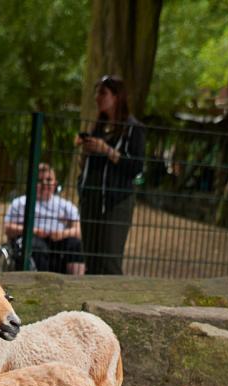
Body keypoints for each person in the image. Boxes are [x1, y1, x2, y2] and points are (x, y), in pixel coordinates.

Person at [77, 75, 145, 275]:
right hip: (91, 200)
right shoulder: (99, 127)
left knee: (109, 262)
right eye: (97, 92)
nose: (97, 97)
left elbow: (136, 167)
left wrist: (107, 150)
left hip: (116, 202)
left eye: (103, 93)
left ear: (117, 97)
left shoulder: (134, 129)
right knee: (91, 262)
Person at [3, 163, 85, 275]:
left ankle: (75, 283)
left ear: (55, 183)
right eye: (39, 180)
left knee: (75, 244)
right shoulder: (20, 203)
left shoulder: (66, 206)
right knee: (37, 247)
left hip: (58, 241)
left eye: (49, 179)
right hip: (32, 240)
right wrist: (33, 231)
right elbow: (8, 229)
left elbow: (78, 230)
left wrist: (62, 234)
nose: (44, 183)